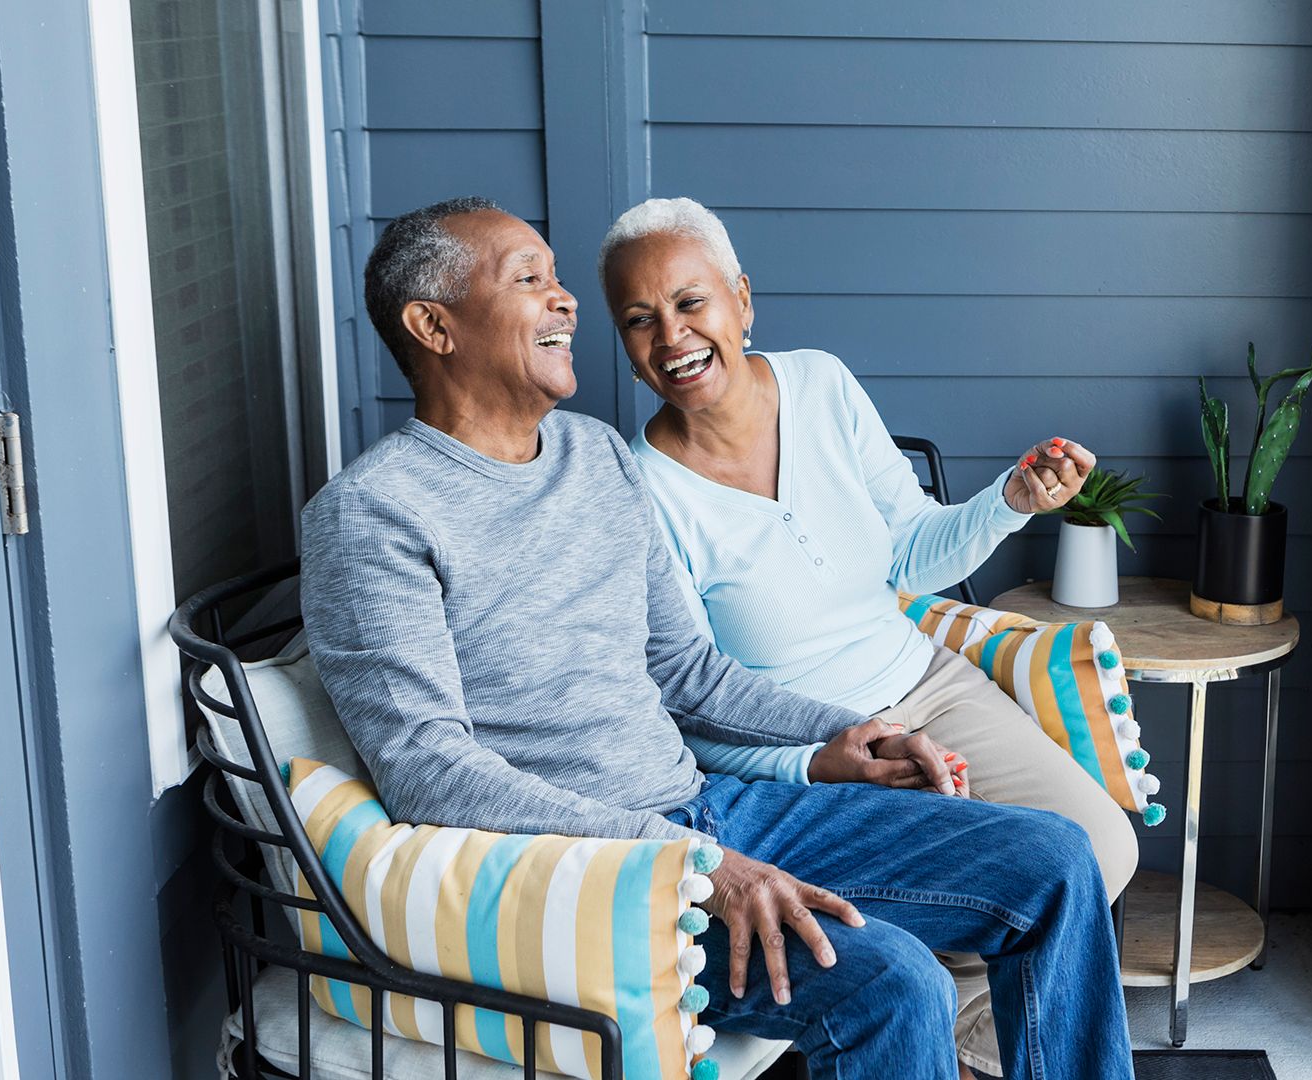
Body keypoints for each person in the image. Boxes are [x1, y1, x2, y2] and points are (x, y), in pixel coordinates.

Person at [299, 196, 1135, 1080]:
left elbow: (685, 669)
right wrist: (693, 863)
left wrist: (831, 732)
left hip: (709, 813)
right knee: (895, 981)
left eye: (557, 278)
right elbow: (429, 769)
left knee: (1052, 858)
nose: (566, 300)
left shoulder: (593, 457)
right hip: (600, 880)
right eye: (529, 280)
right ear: (434, 325)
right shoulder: (373, 516)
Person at [599, 196, 1143, 1078]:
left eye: (691, 302)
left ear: (741, 298)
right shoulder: (638, 488)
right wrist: (818, 756)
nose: (672, 337)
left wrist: (1009, 501)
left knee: (1102, 848)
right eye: (639, 318)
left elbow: (912, 556)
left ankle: (967, 1038)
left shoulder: (819, 383)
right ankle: (966, 1042)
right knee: (935, 934)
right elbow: (687, 707)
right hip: (809, 748)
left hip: (926, 679)